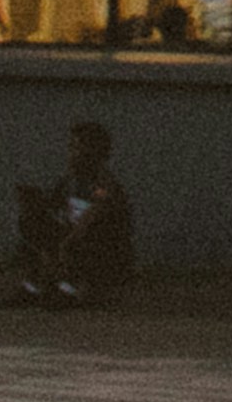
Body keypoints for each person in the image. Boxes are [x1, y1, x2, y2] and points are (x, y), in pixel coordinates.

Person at [12, 119, 138, 309]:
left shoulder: (105, 184)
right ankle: (34, 287)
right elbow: (50, 207)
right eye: (71, 147)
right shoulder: (69, 181)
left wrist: (66, 242)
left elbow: (95, 217)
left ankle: (70, 290)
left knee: (84, 237)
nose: (71, 153)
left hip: (102, 251)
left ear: (93, 152)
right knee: (34, 223)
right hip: (73, 242)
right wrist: (33, 202)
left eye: (76, 147)